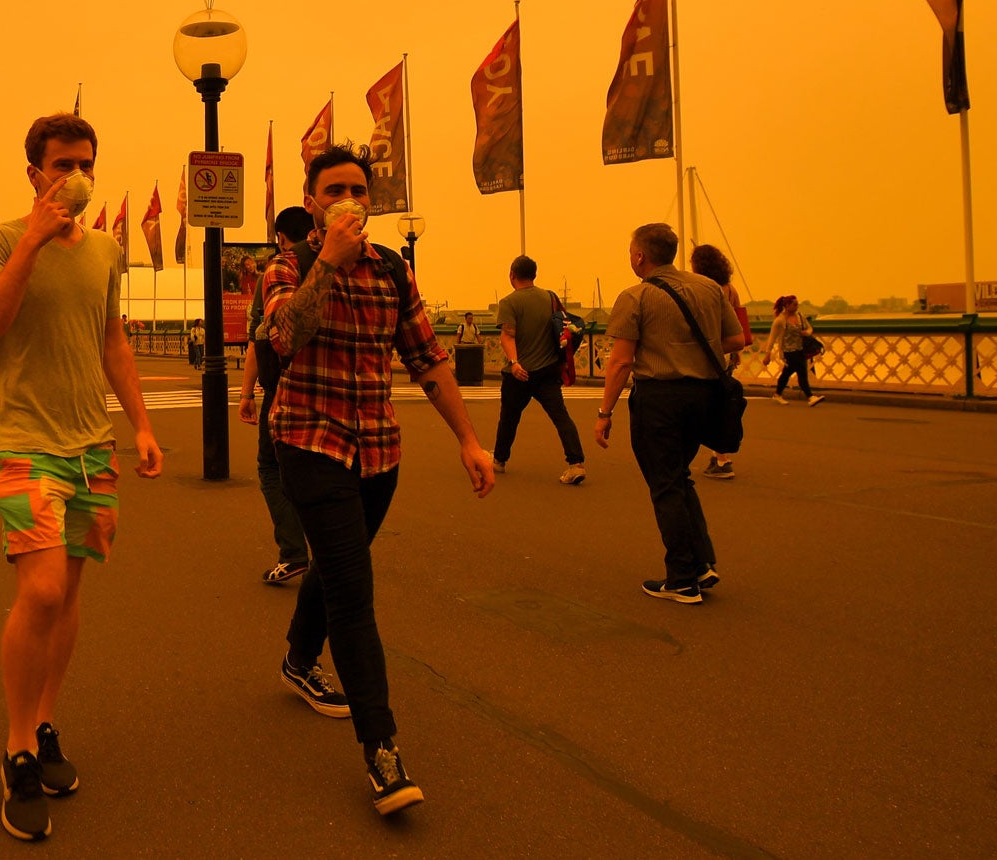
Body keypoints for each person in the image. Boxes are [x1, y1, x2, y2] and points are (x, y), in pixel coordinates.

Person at [264, 144, 494, 816]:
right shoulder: (287, 266)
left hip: (378, 449)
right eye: (334, 189)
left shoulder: (394, 270)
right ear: (312, 203)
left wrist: (469, 440)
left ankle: (298, 661)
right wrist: (327, 262)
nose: (349, 201)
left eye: (360, 191)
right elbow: (285, 337)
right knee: (354, 594)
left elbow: (427, 358)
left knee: (340, 568)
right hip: (309, 440)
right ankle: (383, 753)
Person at [0, 112, 163, 841]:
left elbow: (111, 340)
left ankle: (46, 723)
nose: (74, 177)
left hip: (91, 445)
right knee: (40, 587)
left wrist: (141, 423)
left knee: (71, 587)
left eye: (85, 164)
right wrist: (31, 240)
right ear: (34, 174)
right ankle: (18, 747)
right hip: (21, 439)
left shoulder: (108, 251)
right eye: (61, 165)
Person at [593, 223, 746, 604]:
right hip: (704, 396)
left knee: (665, 484)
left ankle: (681, 578)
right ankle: (701, 562)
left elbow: (620, 362)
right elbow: (736, 340)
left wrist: (604, 412)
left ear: (641, 256)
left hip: (659, 398)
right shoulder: (709, 288)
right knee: (680, 477)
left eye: (631, 251)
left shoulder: (635, 297)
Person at [239, 206, 314, 586]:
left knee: (272, 468)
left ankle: (294, 552)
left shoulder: (276, 271)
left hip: (283, 389)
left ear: (281, 237)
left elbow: (259, 337)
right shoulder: (334, 263)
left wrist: (246, 392)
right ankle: (334, 553)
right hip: (329, 388)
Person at [490, 255, 587, 485]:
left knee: (509, 418)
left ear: (512, 275)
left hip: (520, 373)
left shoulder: (509, 302)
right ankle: (576, 464)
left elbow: (507, 335)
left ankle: (499, 460)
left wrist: (515, 363)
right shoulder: (549, 297)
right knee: (561, 417)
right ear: (534, 275)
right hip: (548, 371)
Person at [689, 245, 750, 479]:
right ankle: (719, 455)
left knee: (707, 405)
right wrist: (736, 352)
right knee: (720, 402)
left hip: (707, 350)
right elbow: (737, 322)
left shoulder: (700, 288)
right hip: (726, 351)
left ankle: (722, 458)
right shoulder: (730, 289)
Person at [767, 295, 825, 406]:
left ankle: (777, 394)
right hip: (788, 351)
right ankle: (810, 396)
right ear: (787, 305)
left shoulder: (800, 316)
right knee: (802, 372)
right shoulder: (780, 320)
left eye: (797, 304)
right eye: (794, 304)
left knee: (786, 373)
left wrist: (807, 333)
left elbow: (809, 328)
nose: (797, 306)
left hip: (800, 349)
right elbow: (772, 337)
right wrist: (768, 354)